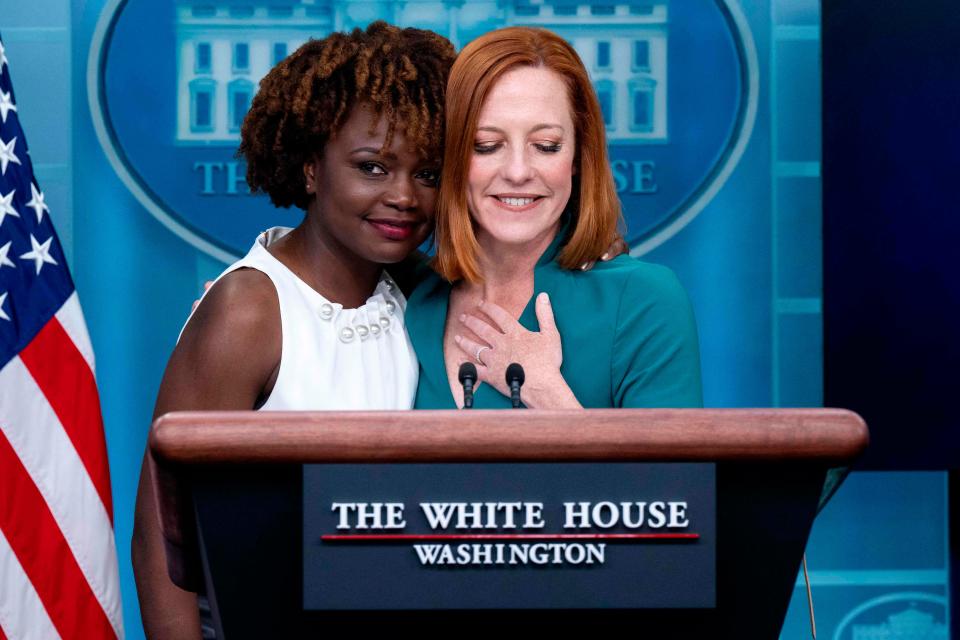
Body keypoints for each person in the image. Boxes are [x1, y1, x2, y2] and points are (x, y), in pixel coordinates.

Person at [132, 22, 456, 639]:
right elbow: (159, 540)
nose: (404, 197)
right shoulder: (250, 309)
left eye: (429, 174)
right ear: (310, 168)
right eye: (372, 167)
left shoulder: (422, 291)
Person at [407, 26, 703, 410]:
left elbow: (674, 473)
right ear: (452, 155)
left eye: (546, 146)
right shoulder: (411, 296)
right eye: (487, 145)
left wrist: (548, 396)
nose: (517, 171)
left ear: (578, 156)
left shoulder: (644, 301)